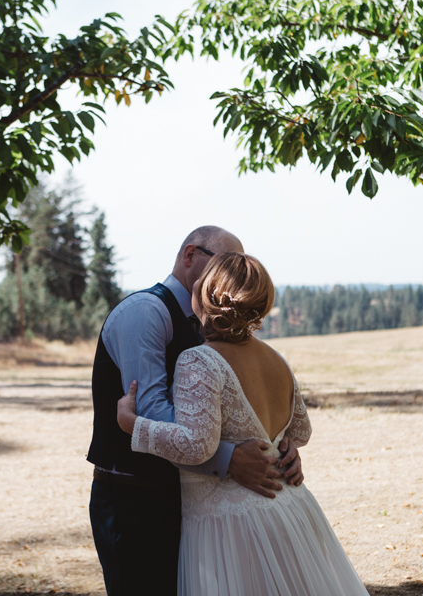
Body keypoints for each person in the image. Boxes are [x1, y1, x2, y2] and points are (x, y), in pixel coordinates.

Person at [116, 252, 370, 596]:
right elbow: (301, 432)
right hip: (290, 509)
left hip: (232, 529)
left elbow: (197, 445)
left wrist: (134, 424)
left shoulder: (199, 360)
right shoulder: (275, 357)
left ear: (204, 294)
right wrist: (282, 444)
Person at [87, 226, 304, 596]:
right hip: (136, 499)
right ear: (190, 256)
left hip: (197, 501)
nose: (230, 275)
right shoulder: (146, 312)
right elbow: (152, 411)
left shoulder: (221, 334)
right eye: (221, 263)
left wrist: (278, 448)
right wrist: (229, 458)